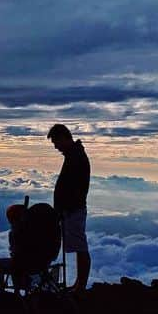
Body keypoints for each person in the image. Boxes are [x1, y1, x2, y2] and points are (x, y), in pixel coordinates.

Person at [50, 123, 91, 293]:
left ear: (63, 138)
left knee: (80, 247)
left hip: (73, 210)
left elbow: (74, 187)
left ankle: (80, 285)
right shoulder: (74, 155)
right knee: (79, 245)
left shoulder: (75, 157)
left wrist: (65, 207)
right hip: (71, 209)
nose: (56, 147)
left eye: (56, 142)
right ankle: (78, 284)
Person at [0, 203, 26, 292]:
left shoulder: (15, 234)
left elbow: (15, 253)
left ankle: (1, 292)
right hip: (41, 263)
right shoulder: (36, 230)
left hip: (24, 265)